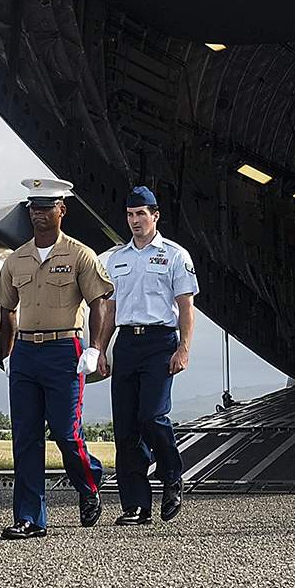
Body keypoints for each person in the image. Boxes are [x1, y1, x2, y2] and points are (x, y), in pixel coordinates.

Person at [0, 177, 115, 539]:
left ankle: (89, 481)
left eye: (46, 207)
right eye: (33, 207)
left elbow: (99, 303)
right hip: (26, 352)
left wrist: (96, 348)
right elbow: (8, 309)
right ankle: (30, 518)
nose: (38, 214)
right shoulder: (17, 259)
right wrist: (9, 352)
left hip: (64, 350)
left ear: (62, 210)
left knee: (66, 433)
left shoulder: (79, 255)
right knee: (25, 437)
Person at [96, 185, 200, 526]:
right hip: (127, 341)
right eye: (130, 215)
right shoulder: (117, 258)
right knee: (125, 426)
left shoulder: (175, 255)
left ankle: (172, 476)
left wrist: (184, 347)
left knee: (153, 416)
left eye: (141, 214)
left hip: (159, 342)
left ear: (155, 216)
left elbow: (186, 307)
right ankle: (136, 505)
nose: (135, 220)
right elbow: (110, 310)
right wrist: (100, 348)